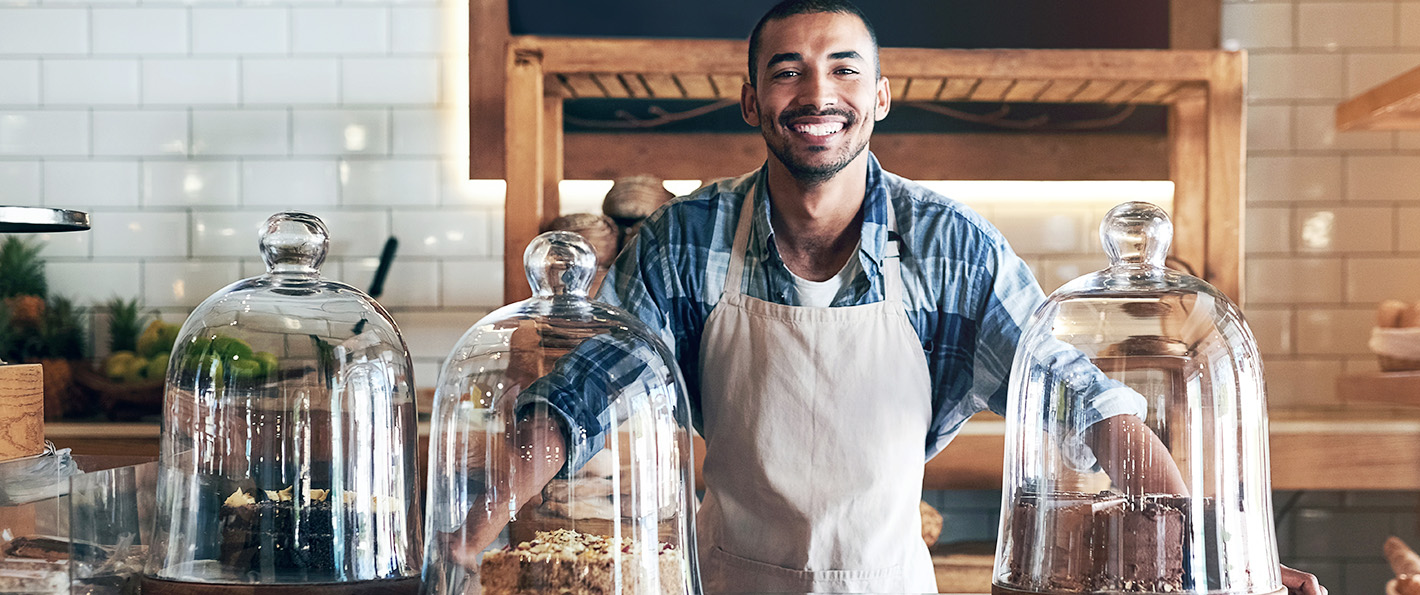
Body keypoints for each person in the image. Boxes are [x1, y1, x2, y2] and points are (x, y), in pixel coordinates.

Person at [496, 2, 1326, 594]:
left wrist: (1221, 556)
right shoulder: (685, 240)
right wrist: (463, 545)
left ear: (880, 99)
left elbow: (1085, 403)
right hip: (726, 580)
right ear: (753, 101)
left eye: (843, 70)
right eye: (788, 72)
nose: (817, 94)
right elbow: (582, 398)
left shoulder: (950, 248)